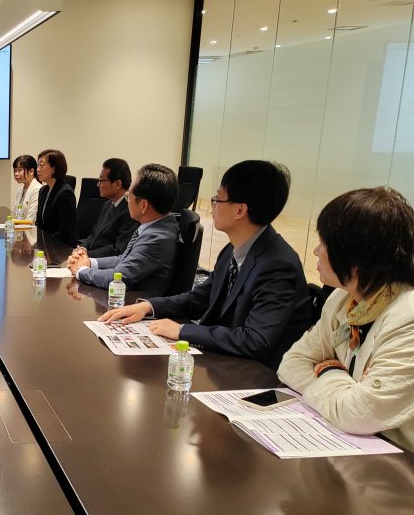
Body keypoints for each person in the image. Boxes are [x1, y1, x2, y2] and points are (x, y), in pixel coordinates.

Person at [100, 160, 311, 369]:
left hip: (255, 374)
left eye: (217, 199)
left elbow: (255, 340)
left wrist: (182, 331)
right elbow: (200, 298)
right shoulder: (233, 248)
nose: (212, 207)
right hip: (223, 361)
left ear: (240, 210)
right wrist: (148, 306)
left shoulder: (278, 265)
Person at [278, 187, 414, 451]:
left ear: (356, 256)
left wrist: (328, 370)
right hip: (348, 445)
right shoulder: (343, 299)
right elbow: (291, 363)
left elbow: (360, 413)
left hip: (398, 463)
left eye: (325, 243)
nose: (316, 251)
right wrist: (346, 392)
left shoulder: (407, 317)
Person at [67, 163, 180, 297]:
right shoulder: (156, 226)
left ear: (143, 205)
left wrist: (81, 270)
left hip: (135, 299)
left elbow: (117, 278)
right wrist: (90, 262)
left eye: (128, 196)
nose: (127, 200)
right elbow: (124, 259)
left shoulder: (156, 238)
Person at [75, 158, 138, 258]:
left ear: (117, 184)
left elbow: (118, 249)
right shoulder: (107, 204)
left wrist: (87, 256)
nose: (98, 184)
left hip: (105, 263)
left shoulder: (130, 210)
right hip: (89, 258)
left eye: (101, 180)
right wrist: (82, 249)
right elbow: (94, 234)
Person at [34, 149, 76, 243]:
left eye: (42, 165)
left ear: (54, 168)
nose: (38, 169)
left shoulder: (65, 193)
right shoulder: (43, 190)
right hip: (45, 244)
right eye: (38, 165)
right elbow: (40, 223)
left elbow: (65, 231)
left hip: (60, 246)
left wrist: (44, 243)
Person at [11, 154, 41, 220]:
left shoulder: (37, 189)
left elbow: (31, 220)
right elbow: (17, 216)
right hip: (20, 225)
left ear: (31, 171)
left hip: (30, 226)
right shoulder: (20, 189)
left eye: (20, 170)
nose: (16, 174)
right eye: (15, 170)